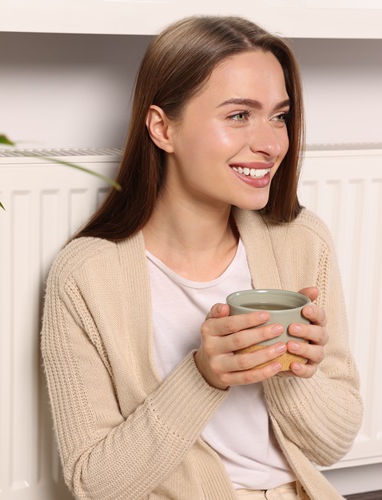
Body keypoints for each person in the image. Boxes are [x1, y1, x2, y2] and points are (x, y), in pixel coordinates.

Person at [41, 15, 363, 500]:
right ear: (162, 128)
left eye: (279, 115)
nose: (272, 143)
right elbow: (95, 485)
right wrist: (203, 376)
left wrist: (292, 370)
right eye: (239, 115)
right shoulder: (87, 275)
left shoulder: (301, 240)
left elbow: (332, 444)